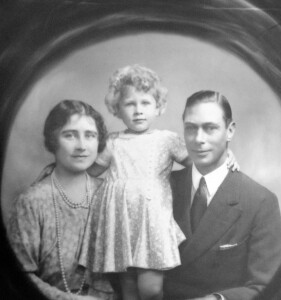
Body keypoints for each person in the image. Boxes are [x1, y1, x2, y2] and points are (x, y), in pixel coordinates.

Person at [78, 66, 239, 300]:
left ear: (158, 107)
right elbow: (91, 170)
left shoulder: (166, 140)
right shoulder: (113, 142)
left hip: (151, 222)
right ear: (117, 109)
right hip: (120, 221)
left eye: (145, 103)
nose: (138, 111)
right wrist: (61, 169)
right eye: (129, 104)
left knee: (151, 289)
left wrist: (225, 156)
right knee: (129, 289)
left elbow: (199, 161)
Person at [163, 90, 281, 300]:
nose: (198, 139)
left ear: (230, 131)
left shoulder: (260, 201)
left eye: (210, 128)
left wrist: (216, 299)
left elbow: (266, 285)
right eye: (191, 128)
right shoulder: (161, 187)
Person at [7, 100, 114, 300]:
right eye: (70, 135)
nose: (82, 146)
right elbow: (18, 276)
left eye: (90, 136)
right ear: (53, 140)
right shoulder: (32, 202)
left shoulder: (110, 194)